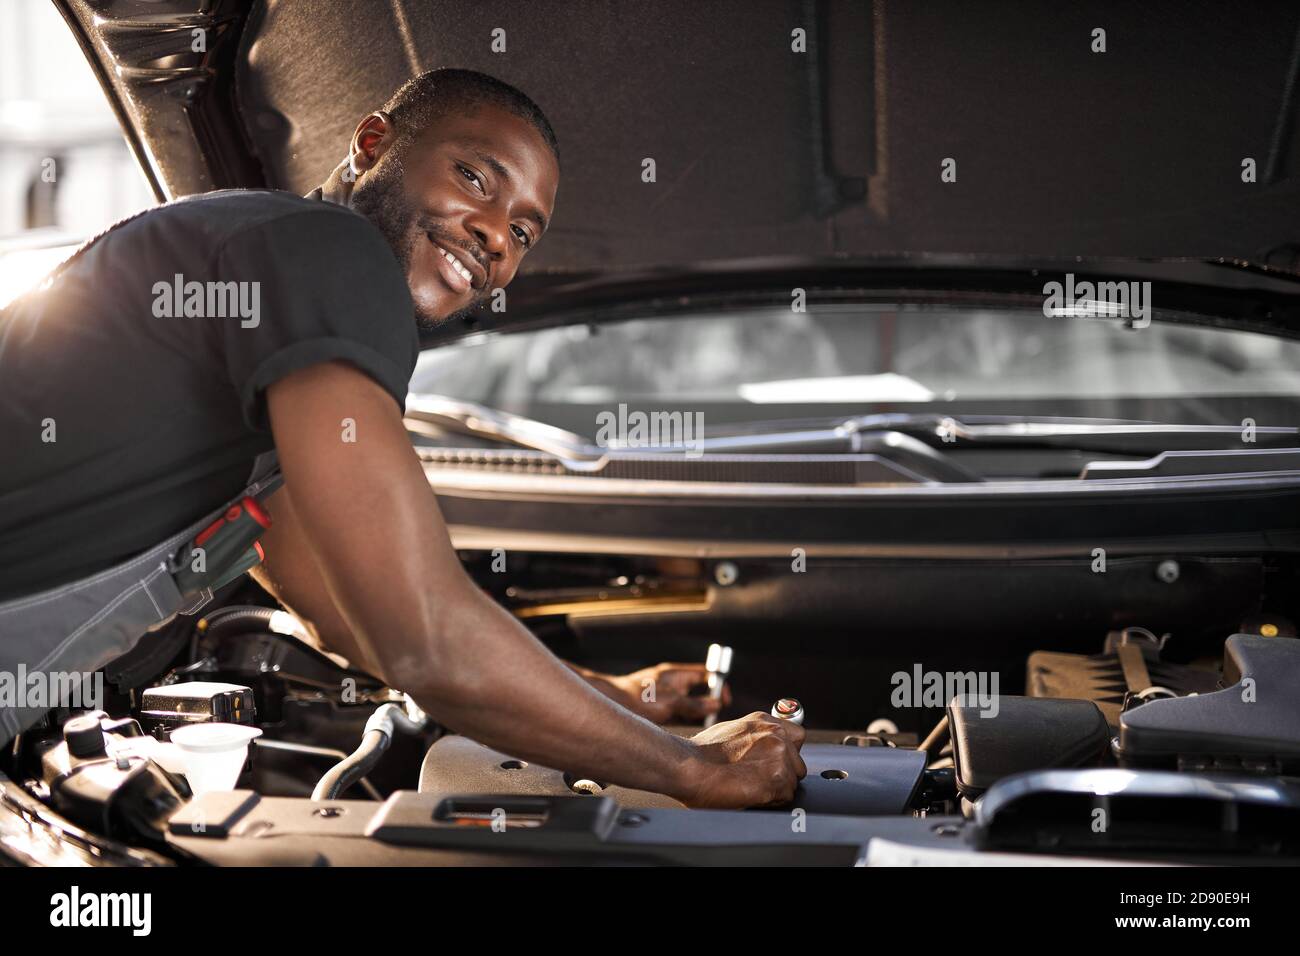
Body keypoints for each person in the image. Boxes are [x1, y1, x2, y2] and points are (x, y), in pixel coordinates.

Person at [0, 69, 805, 808]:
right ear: (371, 146)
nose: (496, 235)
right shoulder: (331, 251)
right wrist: (690, 770)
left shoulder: (278, 316)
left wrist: (617, 698)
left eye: (524, 232)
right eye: (476, 178)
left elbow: (342, 613)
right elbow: (419, 634)